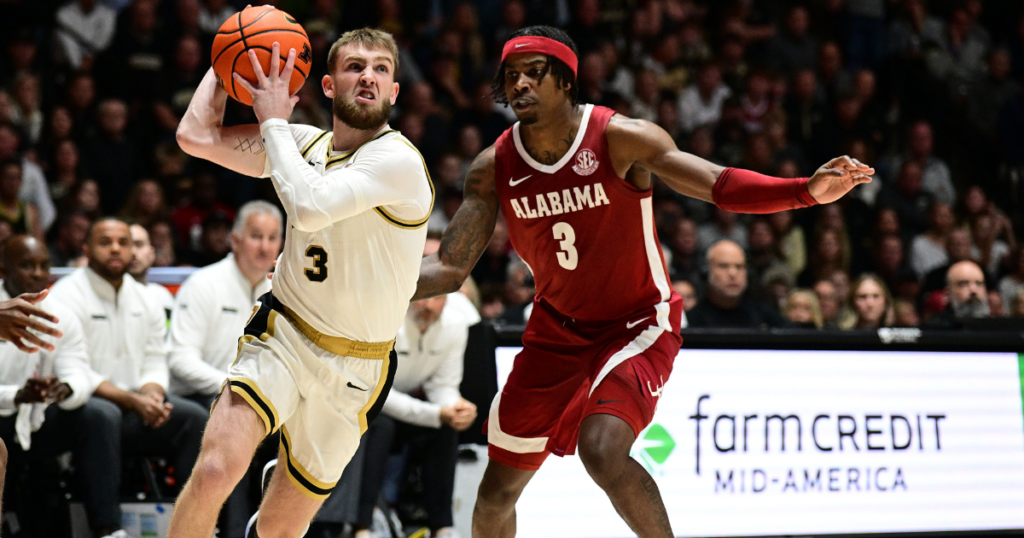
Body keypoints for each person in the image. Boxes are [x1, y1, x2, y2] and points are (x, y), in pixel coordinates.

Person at [413, 26, 873, 538]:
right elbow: (451, 268)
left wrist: (804, 192)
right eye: (511, 77)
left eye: (534, 74)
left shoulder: (619, 137)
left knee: (603, 448)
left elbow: (718, 186)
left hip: (636, 324)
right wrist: (361, 281)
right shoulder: (492, 166)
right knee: (496, 492)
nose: (520, 85)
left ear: (566, 81)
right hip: (554, 331)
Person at [168, 28, 433, 537]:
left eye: (381, 68)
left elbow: (310, 206)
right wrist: (229, 60)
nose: (369, 77)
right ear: (330, 85)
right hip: (284, 336)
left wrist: (271, 119)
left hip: (358, 366)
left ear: (395, 92)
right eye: (356, 66)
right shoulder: (302, 143)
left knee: (279, 530)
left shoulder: (398, 161)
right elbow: (194, 137)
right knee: (215, 472)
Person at [48, 218, 208, 516]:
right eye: (105, 242)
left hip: (137, 408)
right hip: (84, 410)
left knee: (195, 419)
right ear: (86, 248)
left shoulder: (146, 298)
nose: (116, 249)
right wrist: (132, 400)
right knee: (103, 415)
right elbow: (74, 369)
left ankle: (193, 523)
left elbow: (155, 358)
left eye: (124, 243)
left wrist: (153, 395)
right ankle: (107, 528)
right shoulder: (66, 295)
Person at [350, 237, 480, 538]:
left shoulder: (456, 324)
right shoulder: (385, 319)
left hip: (412, 408)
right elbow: (376, 394)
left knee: (448, 428)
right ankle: (362, 525)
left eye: (438, 298)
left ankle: (442, 527)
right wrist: (437, 413)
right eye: (424, 295)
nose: (428, 305)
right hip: (368, 406)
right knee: (379, 425)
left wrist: (455, 406)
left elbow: (444, 386)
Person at [0, 235, 126, 538]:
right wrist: (15, 395)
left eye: (44, 265)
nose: (37, 273)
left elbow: (79, 373)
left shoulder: (61, 314)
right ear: (4, 269)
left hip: (39, 418)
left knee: (99, 416)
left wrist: (64, 389)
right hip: (3, 416)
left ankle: (108, 529)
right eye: (27, 265)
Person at [167, 201, 280, 538]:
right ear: (235, 240)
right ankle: (231, 531)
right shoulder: (204, 284)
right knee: (235, 422)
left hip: (264, 397)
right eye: (256, 236)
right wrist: (240, 386)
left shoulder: (284, 290)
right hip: (202, 394)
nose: (265, 246)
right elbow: (180, 360)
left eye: (273, 237)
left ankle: (304, 527)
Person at [687, 240, 789, 329]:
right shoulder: (690, 321)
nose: (733, 274)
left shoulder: (764, 318)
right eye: (723, 266)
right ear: (706, 272)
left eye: (739, 267)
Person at [927, 260, 991, 328]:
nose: (973, 290)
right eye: (964, 284)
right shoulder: (936, 330)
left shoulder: (996, 328)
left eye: (979, 284)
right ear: (948, 293)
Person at [129, 223, 175, 316]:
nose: (133, 252)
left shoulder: (162, 297)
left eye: (139, 245)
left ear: (151, 253)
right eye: (126, 245)